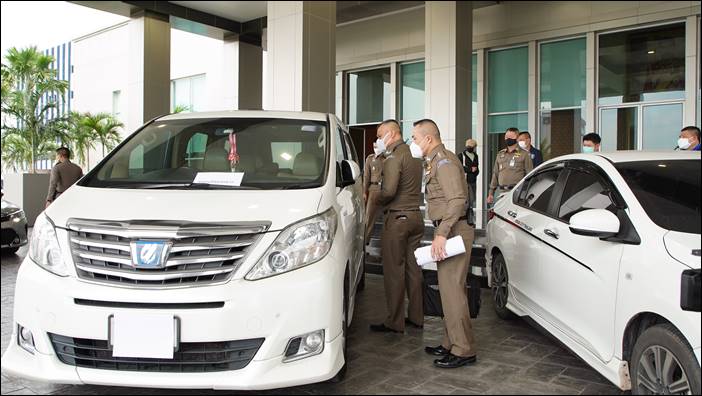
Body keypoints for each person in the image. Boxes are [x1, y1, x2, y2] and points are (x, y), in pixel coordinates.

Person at [409, 119, 477, 369]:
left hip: (453, 230)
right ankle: (451, 343)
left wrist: (442, 234)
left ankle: (464, 349)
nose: (413, 143)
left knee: (453, 292)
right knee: (449, 291)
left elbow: (458, 199)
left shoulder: (444, 162)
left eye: (414, 138)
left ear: (428, 138)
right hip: (447, 229)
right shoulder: (434, 161)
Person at [369, 119, 425, 333]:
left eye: (380, 134)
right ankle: (417, 317)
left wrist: (375, 198)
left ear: (391, 134)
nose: (378, 139)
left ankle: (395, 321)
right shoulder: (414, 154)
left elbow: (389, 191)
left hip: (397, 219)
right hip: (415, 217)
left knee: (394, 271)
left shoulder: (393, 157)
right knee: (413, 269)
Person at [487, 128, 533, 205]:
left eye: (511, 137)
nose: (508, 139)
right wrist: (491, 193)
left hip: (517, 194)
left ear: (517, 138)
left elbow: (530, 175)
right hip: (501, 193)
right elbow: (495, 174)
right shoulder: (500, 154)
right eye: (506, 137)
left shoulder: (524, 154)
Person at [363, 143, 385, 243]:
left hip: (385, 190)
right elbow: (366, 176)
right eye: (374, 146)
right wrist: (364, 191)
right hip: (373, 189)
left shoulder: (387, 159)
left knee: (387, 218)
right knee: (369, 217)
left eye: (377, 146)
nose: (375, 148)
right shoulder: (370, 158)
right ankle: (365, 242)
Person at [456, 139, 479, 225]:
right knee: (467, 199)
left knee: (472, 199)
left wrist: (475, 171)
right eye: (469, 147)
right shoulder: (461, 155)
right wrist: (470, 169)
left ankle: (470, 217)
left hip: (473, 180)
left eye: (472, 147)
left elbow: (477, 168)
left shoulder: (475, 156)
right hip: (465, 181)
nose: (471, 148)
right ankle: (465, 217)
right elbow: (459, 168)